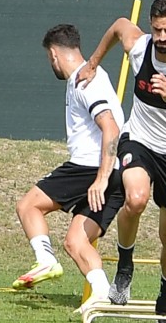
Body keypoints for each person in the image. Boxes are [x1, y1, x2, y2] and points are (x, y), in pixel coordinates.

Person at [81, 0, 166, 323]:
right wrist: (93, 62)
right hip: (139, 140)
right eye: (157, 30)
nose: (163, 38)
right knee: (135, 199)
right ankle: (125, 266)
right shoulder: (140, 47)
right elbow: (118, 26)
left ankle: (164, 304)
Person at [14, 23, 125, 305]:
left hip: (90, 168)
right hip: (117, 173)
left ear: (53, 54)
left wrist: (100, 178)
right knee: (76, 241)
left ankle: (45, 260)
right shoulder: (92, 75)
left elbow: (110, 128)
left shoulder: (83, 80)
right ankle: (102, 297)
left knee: (28, 205)